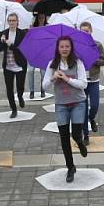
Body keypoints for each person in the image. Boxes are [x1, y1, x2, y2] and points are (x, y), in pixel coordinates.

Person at [43, 36, 88, 183]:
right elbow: (43, 87)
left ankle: (80, 142)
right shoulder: (52, 64)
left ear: (71, 48)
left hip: (78, 102)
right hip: (61, 104)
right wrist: (53, 78)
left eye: (67, 46)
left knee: (75, 134)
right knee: (63, 137)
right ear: (57, 48)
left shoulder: (78, 63)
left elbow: (83, 84)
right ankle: (70, 167)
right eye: (62, 46)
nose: (64, 49)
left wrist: (67, 79)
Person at [0, 13, 28, 118]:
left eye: (13, 20)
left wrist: (11, 45)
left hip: (20, 65)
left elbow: (22, 50)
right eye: (9, 20)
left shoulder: (22, 33)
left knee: (20, 86)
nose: (11, 22)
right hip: (8, 65)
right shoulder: (4, 33)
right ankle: (13, 109)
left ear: (17, 21)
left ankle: (20, 96)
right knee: (9, 89)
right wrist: (2, 41)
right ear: (7, 22)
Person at [79, 21, 104, 144]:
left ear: (90, 31)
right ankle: (85, 135)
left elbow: (103, 61)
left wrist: (94, 59)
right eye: (82, 31)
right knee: (83, 109)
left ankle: (92, 118)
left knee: (94, 105)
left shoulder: (97, 45)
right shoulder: (76, 46)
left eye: (86, 31)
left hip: (94, 80)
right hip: (81, 81)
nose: (84, 33)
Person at [26, 12, 48, 99]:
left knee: (43, 73)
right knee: (30, 71)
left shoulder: (48, 27)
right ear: (37, 18)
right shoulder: (32, 28)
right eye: (39, 18)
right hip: (33, 53)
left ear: (45, 18)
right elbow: (28, 40)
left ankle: (43, 89)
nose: (41, 19)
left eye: (43, 18)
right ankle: (32, 91)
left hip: (43, 54)